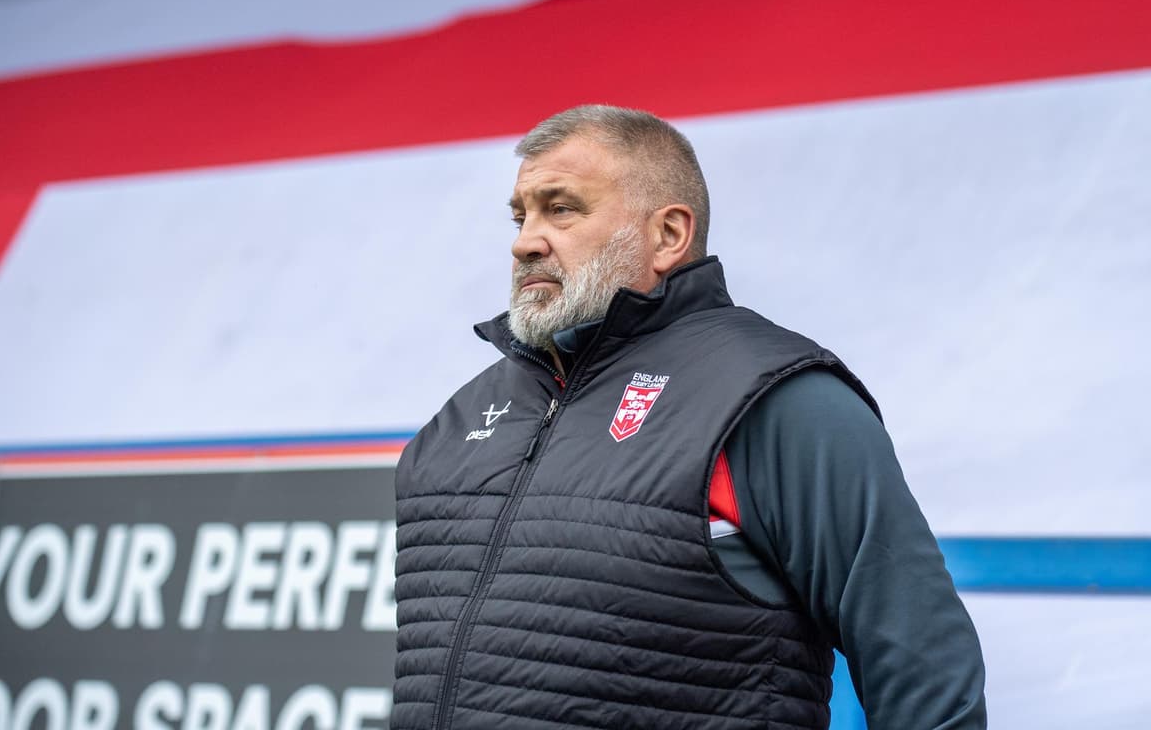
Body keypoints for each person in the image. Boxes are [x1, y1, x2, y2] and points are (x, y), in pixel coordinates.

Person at [392, 105, 986, 729]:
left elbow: (923, 665)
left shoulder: (775, 398)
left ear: (669, 235)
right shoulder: (463, 417)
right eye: (521, 215)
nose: (525, 241)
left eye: (561, 209)